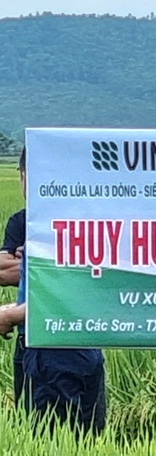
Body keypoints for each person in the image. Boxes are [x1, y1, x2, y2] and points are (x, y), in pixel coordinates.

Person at [1, 146, 108, 433]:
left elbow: (63, 297)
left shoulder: (53, 230)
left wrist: (10, 317)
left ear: (25, 176)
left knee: (50, 447)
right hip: (85, 346)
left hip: (52, 352)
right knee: (84, 449)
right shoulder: (83, 224)